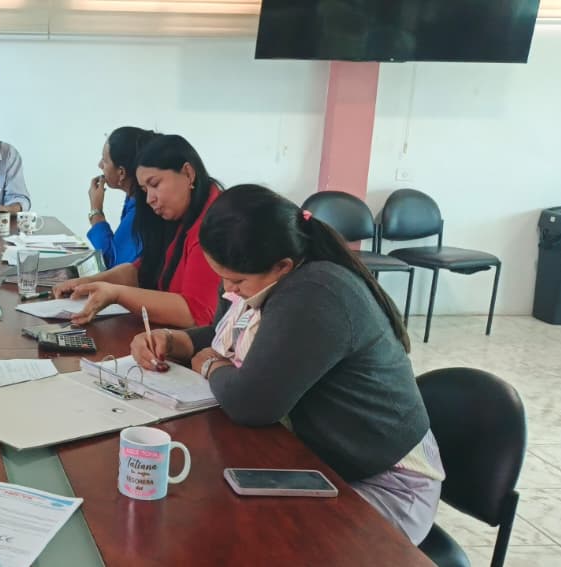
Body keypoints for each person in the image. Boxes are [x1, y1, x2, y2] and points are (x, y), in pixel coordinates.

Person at [130, 185, 444, 544]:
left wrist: (211, 367)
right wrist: (175, 341)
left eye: (237, 281)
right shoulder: (260, 275)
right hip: (322, 462)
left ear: (282, 266)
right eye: (221, 276)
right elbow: (224, 335)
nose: (228, 289)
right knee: (215, 511)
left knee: (264, 540)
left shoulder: (316, 293)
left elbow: (251, 403)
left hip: (386, 483)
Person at [54, 134, 222, 327]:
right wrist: (88, 283)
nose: (150, 199)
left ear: (188, 173)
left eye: (155, 184)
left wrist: (117, 294)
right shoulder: (178, 214)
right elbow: (143, 269)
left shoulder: (215, 224)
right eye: (144, 190)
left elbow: (196, 313)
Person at [86, 126, 151, 267]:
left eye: (105, 161)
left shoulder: (142, 210)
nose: (100, 165)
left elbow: (111, 263)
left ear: (121, 173)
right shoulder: (132, 199)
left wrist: (96, 212)